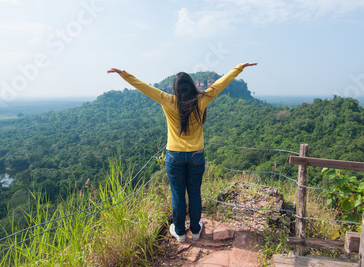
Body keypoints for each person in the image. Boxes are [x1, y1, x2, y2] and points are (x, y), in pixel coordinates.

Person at [107, 62, 258, 242]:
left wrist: (124, 74)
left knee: (178, 194)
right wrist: (239, 67)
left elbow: (144, 87)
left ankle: (179, 233)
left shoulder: (168, 101)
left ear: (175, 88)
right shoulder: (202, 100)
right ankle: (195, 231)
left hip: (174, 155)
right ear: (192, 85)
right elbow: (221, 83)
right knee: (194, 192)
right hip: (196, 155)